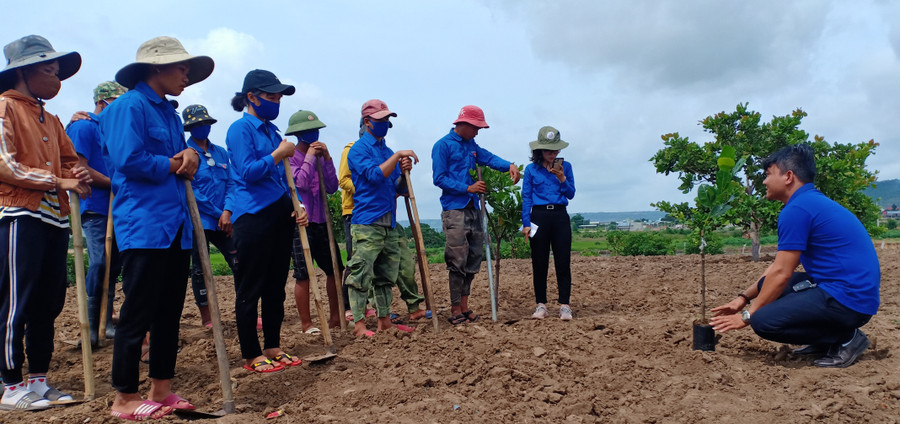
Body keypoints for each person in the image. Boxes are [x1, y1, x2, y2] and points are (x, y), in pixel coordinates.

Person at [101, 36, 212, 420]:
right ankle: (125, 397)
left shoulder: (168, 113)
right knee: (138, 311)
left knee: (169, 311)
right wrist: (175, 162)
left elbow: (182, 158)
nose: (186, 75)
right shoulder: (126, 107)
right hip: (145, 225)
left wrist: (190, 155)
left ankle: (161, 388)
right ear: (156, 68)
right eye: (181, 67)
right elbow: (127, 159)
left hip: (176, 225)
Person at [711, 144, 880, 368]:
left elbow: (781, 273)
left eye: (768, 174)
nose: (764, 182)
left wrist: (747, 315)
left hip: (849, 300)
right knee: (770, 287)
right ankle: (824, 342)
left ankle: (847, 338)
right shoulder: (809, 203)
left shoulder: (797, 210)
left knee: (763, 321)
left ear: (788, 176)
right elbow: (777, 269)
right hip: (850, 293)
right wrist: (743, 298)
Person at [0, 34, 91, 411]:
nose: (56, 78)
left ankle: (38, 379)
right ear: (24, 72)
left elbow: (70, 160)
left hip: (54, 217)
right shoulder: (4, 107)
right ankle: (8, 384)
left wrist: (78, 172)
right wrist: (57, 180)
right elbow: (4, 164)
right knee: (15, 300)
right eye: (49, 70)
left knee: (48, 302)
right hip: (19, 214)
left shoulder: (50, 118)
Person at [227, 69, 306, 373]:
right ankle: (250, 354)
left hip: (279, 211)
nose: (276, 102)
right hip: (253, 215)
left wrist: (296, 203)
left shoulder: (273, 132)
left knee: (275, 286)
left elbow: (281, 179)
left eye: (278, 98)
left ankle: (272, 345)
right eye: (271, 97)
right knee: (251, 286)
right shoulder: (240, 129)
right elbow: (248, 172)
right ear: (252, 97)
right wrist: (278, 154)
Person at [431, 105, 520, 325]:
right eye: (476, 128)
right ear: (464, 124)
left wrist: (508, 165)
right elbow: (439, 178)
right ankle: (454, 309)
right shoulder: (442, 146)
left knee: (472, 258)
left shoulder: (472, 146)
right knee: (457, 260)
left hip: (473, 208)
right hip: (455, 210)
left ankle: (464, 305)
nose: (478, 132)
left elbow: (488, 158)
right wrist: (467, 188)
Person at [345, 99, 419, 337]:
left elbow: (400, 189)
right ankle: (358, 325)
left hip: (389, 222)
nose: (386, 124)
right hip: (367, 222)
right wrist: (398, 156)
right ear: (368, 122)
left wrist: (405, 172)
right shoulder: (358, 150)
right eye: (381, 120)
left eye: (388, 120)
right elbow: (375, 176)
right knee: (360, 275)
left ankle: (384, 321)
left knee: (385, 276)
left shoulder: (387, 153)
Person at [66, 81, 127, 347]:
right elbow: (80, 169)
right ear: (102, 103)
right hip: (95, 208)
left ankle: (106, 322)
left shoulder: (113, 132)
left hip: (117, 207)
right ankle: (91, 326)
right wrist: (114, 183)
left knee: (113, 266)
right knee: (100, 262)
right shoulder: (83, 127)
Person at [285, 109, 343, 333]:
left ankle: (335, 317)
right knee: (304, 272)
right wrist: (309, 156)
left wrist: (326, 158)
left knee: (335, 268)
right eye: (309, 131)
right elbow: (299, 182)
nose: (314, 134)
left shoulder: (321, 157)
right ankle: (307, 323)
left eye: (316, 130)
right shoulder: (290, 157)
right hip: (301, 221)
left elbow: (331, 187)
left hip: (321, 221)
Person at [183, 104, 238, 328]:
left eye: (205, 123)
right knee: (200, 268)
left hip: (226, 219)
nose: (202, 127)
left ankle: (246, 310)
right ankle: (208, 317)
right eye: (197, 124)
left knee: (239, 262)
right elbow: (191, 192)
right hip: (200, 220)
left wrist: (228, 211)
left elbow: (233, 183)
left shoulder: (221, 153)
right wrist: (218, 214)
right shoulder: (186, 154)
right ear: (189, 128)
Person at [521, 126, 576, 321]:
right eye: (548, 150)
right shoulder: (531, 170)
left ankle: (564, 305)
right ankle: (541, 304)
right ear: (539, 151)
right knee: (539, 263)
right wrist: (526, 223)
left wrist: (562, 179)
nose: (552, 154)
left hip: (560, 215)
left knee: (563, 261)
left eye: (555, 150)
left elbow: (571, 193)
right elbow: (526, 198)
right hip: (539, 217)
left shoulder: (565, 167)